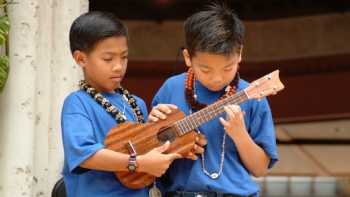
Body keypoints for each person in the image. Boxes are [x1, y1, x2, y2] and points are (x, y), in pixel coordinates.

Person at [150, 3, 278, 197]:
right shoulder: (171, 88)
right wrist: (152, 127)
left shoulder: (252, 95)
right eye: (206, 69)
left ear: (240, 54)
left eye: (228, 68)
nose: (217, 78)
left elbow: (260, 169)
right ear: (187, 57)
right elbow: (148, 152)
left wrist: (240, 134)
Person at [61, 11, 185, 197]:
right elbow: (86, 155)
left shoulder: (137, 104)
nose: (118, 66)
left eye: (124, 57)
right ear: (81, 59)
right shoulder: (77, 103)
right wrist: (139, 163)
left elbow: (148, 150)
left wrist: (160, 130)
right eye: (108, 59)